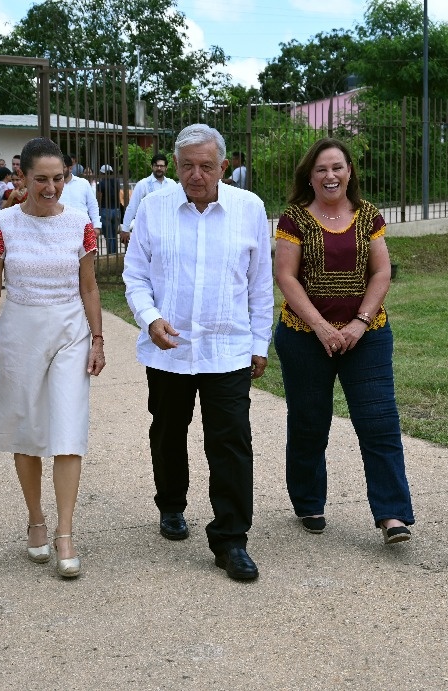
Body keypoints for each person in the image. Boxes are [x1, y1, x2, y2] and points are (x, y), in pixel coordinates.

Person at [123, 124, 273, 582]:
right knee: (168, 432)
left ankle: (231, 540)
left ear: (223, 167)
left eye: (206, 166)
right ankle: (171, 504)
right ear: (175, 165)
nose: (196, 174)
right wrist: (150, 317)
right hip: (169, 348)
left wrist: (258, 343)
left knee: (230, 442)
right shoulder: (153, 208)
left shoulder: (249, 209)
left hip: (226, 349)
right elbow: (135, 276)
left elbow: (259, 285)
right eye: (187, 165)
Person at [0, 137, 106, 580]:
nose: (51, 188)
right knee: (27, 429)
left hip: (70, 330)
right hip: (20, 332)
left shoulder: (81, 222)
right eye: (42, 179)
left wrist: (99, 339)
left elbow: (89, 286)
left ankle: (65, 533)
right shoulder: (2, 224)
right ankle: (36, 519)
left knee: (68, 428)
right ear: (22, 179)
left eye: (59, 179)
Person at [272, 137, 415, 544]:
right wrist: (320, 326)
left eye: (337, 167)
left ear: (349, 171)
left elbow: (382, 272)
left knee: (379, 424)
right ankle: (308, 502)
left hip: (365, 337)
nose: (330, 175)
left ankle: (392, 515)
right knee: (309, 423)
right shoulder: (294, 219)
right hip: (305, 337)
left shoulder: (368, 215)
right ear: (310, 176)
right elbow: (285, 276)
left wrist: (358, 323)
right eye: (321, 169)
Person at [121, 152, 177, 244]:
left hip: (168, 231)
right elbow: (132, 207)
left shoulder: (172, 184)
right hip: (147, 232)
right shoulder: (143, 184)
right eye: (156, 165)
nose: (159, 168)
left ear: (166, 168)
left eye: (162, 166)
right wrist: (125, 228)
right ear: (152, 167)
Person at [60, 153, 102, 242]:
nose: (59, 170)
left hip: (83, 230)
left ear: (70, 168)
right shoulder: (54, 186)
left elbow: (93, 205)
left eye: (62, 167)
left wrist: (96, 226)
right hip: (61, 231)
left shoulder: (83, 183)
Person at [96, 164, 122, 254]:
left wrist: (98, 210)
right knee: (114, 235)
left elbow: (99, 198)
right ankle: (115, 254)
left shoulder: (101, 184)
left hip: (105, 210)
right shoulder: (117, 182)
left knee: (109, 235)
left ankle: (110, 254)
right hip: (117, 210)